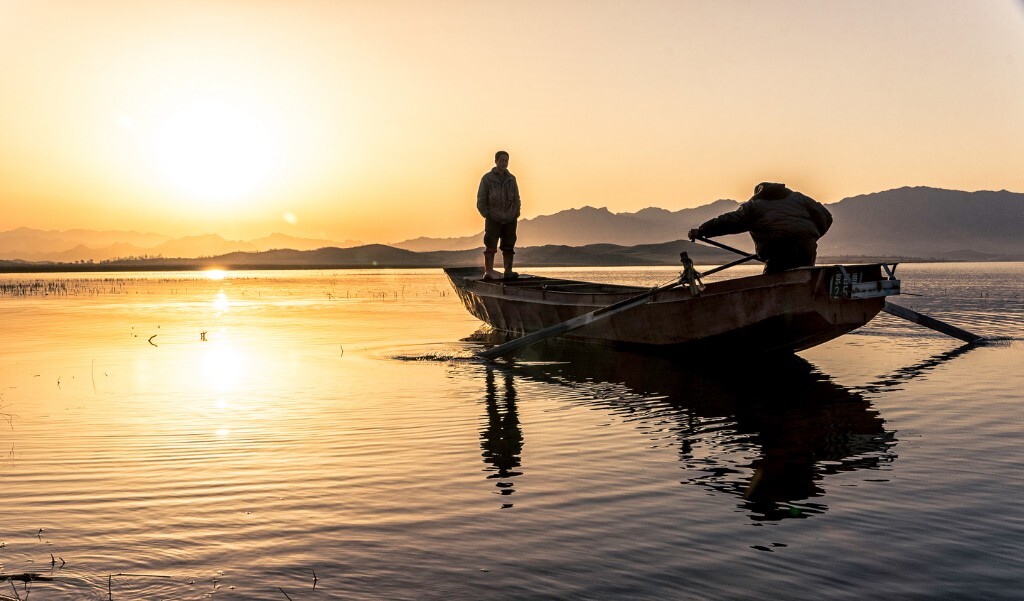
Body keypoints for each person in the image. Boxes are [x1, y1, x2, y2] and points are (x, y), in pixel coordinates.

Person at [688, 182, 833, 274]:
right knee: (804, 278)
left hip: (778, 252)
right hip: (806, 248)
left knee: (772, 284)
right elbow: (826, 216)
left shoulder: (754, 206)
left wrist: (703, 231)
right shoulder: (799, 198)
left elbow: (730, 221)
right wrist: (811, 235)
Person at [477, 150, 522, 279]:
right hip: (493, 217)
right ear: (496, 161)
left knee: (509, 244)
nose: (504, 163)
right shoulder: (487, 178)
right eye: (501, 160)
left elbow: (517, 198)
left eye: (506, 161)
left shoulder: (511, 179)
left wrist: (516, 212)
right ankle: (489, 271)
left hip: (510, 217)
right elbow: (481, 198)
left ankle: (508, 271)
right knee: (490, 243)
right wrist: (486, 214)